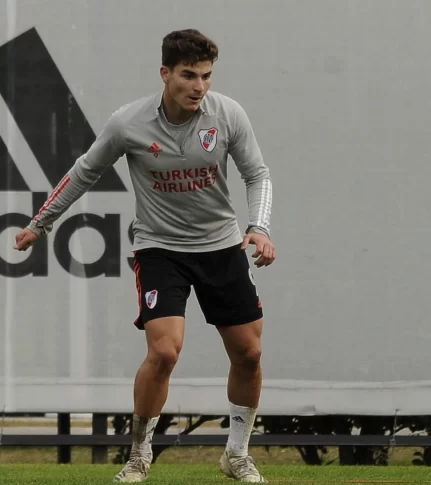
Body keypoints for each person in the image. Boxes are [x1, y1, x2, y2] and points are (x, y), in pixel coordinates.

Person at [13, 29, 274, 483]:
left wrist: (259, 227)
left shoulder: (227, 114)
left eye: (207, 76)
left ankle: (236, 453)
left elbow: (258, 174)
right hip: (159, 249)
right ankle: (138, 455)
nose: (199, 86)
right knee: (165, 351)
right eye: (189, 75)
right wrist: (40, 224)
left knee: (249, 353)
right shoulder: (128, 122)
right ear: (165, 74)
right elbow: (82, 174)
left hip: (221, 246)